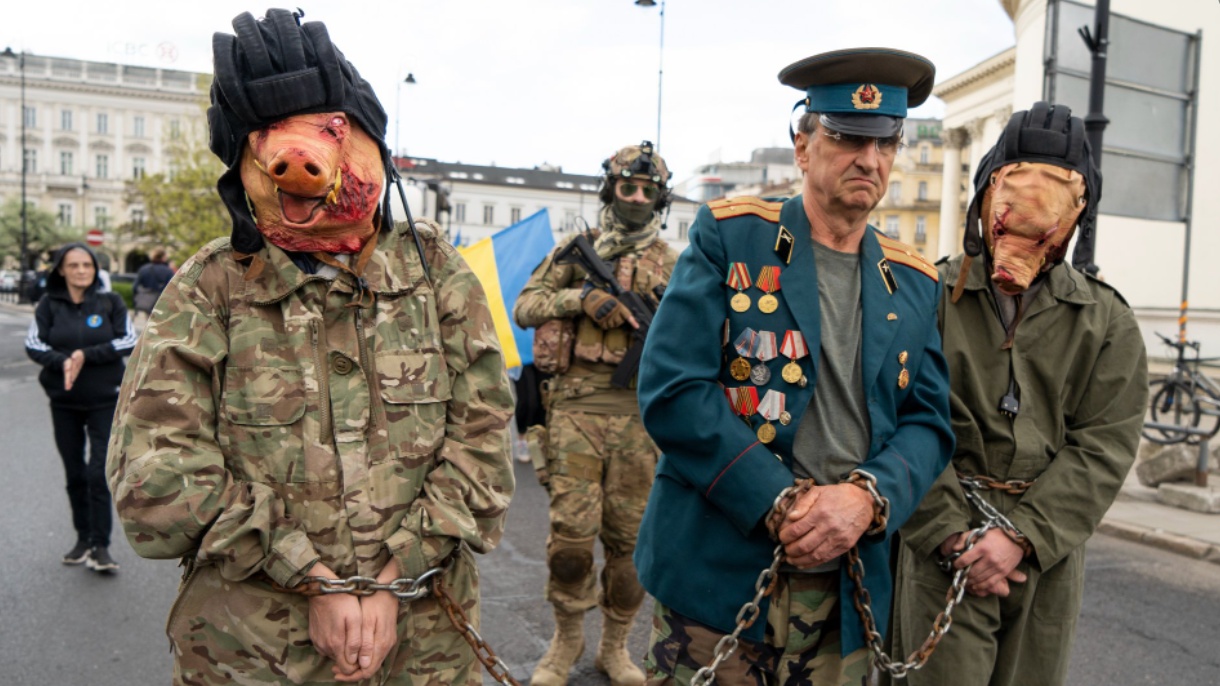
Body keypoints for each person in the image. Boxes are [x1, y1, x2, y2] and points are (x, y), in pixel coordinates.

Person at [106, 9, 515, 684]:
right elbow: (156, 482)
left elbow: (485, 446)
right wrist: (309, 577)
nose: (297, 166)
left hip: (424, 641)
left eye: (328, 131)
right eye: (270, 142)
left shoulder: (438, 275)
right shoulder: (208, 289)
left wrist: (393, 577)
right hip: (253, 650)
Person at [632, 48, 954, 684]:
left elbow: (928, 421)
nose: (870, 159)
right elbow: (673, 388)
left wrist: (869, 498)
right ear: (803, 146)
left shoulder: (915, 282)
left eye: (885, 143)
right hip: (719, 576)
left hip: (848, 590)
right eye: (847, 137)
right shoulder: (731, 235)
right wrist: (776, 500)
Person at [890, 102, 1148, 686]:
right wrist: (948, 532)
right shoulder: (925, 298)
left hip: (1043, 560)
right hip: (941, 549)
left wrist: (1022, 537)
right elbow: (899, 420)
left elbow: (1104, 445)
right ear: (986, 199)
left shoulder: (1105, 320)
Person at [513, 141, 679, 686]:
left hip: (640, 421)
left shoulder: (674, 264)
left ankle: (615, 647)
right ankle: (566, 641)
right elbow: (525, 306)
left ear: (659, 200)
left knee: (631, 550)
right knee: (570, 544)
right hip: (576, 413)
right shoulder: (575, 251)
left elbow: (696, 336)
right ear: (611, 190)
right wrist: (578, 301)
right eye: (627, 188)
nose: (635, 198)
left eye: (646, 191)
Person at [26, 242, 136, 573]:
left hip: (105, 399)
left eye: (86, 264)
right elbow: (34, 343)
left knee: (98, 473)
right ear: (61, 269)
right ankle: (82, 539)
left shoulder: (110, 301)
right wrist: (62, 361)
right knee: (75, 474)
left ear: (94, 268)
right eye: (73, 265)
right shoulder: (48, 305)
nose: (81, 271)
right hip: (64, 402)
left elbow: (128, 340)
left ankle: (101, 546)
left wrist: (85, 355)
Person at [131, 247, 173, 327]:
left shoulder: (144, 269)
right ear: (163, 257)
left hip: (148, 301)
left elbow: (135, 287)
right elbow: (172, 288)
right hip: (162, 301)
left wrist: (137, 299)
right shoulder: (168, 271)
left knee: (149, 321)